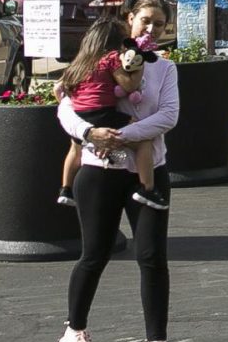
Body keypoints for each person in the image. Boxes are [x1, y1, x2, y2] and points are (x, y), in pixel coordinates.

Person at [56, 6, 184, 342]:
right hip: (99, 171)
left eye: (160, 24)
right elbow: (66, 108)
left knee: (152, 256)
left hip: (148, 171)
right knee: (94, 254)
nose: (152, 29)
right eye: (146, 21)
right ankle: (74, 332)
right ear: (130, 21)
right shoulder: (95, 58)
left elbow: (168, 116)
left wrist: (121, 136)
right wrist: (89, 134)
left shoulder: (163, 67)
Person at [55, 27, 166, 210]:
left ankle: (65, 189)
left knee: (75, 149)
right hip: (102, 111)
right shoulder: (110, 58)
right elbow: (129, 86)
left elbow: (58, 89)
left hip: (81, 113)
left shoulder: (79, 63)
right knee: (143, 142)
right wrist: (140, 64)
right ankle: (148, 188)